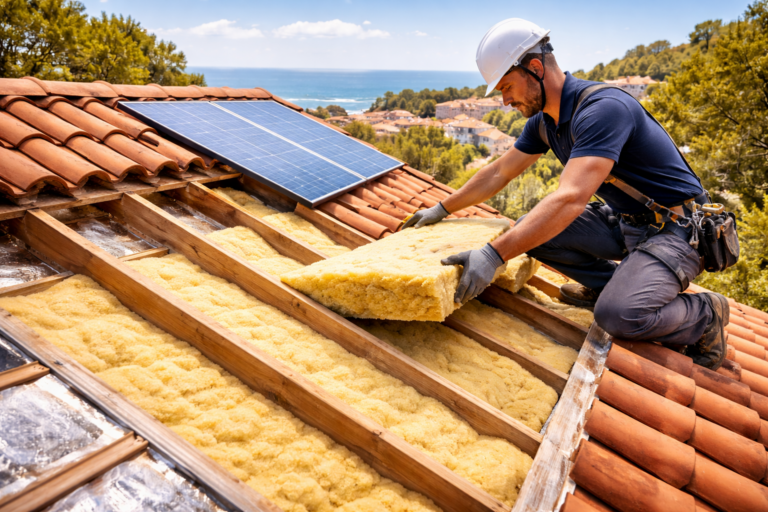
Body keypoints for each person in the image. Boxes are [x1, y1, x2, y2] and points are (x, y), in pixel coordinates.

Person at [402, 18, 729, 369]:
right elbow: (498, 172)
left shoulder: (602, 110)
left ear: (536, 68)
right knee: (531, 231)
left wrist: (494, 255)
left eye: (507, 86)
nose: (505, 100)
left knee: (617, 316)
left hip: (677, 229)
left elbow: (571, 198)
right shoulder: (545, 123)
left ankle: (706, 314)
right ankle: (611, 285)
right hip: (628, 221)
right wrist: (441, 207)